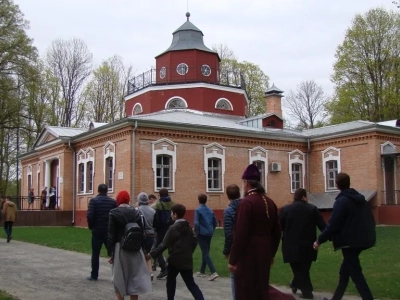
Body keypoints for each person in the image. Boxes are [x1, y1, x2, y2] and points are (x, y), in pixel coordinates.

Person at [314, 173, 376, 300]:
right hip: (363, 239)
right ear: (349, 183)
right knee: (345, 272)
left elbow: (333, 225)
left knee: (355, 273)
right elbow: (370, 218)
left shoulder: (341, 201)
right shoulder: (361, 200)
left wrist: (319, 240)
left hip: (350, 242)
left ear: (337, 185)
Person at [228, 164, 281, 300]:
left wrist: (233, 259)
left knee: (247, 289)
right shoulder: (270, 202)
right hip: (265, 251)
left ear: (246, 183)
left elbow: (240, 233)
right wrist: (272, 253)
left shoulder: (246, 203)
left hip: (249, 253)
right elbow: (277, 231)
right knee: (261, 288)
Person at [279, 188, 326, 299]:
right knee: (303, 269)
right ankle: (307, 292)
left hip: (290, 246)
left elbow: (279, 227)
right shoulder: (312, 209)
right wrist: (327, 237)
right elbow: (323, 226)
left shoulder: (285, 210)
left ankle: (296, 285)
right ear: (304, 197)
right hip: (308, 246)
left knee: (299, 269)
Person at [150, 204, 204, 300]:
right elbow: (195, 240)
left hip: (174, 260)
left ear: (175, 215)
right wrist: (189, 251)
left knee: (171, 282)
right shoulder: (188, 227)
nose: (171, 215)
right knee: (191, 284)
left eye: (171, 213)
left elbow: (164, 244)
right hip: (186, 260)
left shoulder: (173, 228)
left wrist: (153, 253)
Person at [107, 190, 152, 300]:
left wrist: (110, 253)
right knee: (134, 278)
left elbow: (111, 235)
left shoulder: (113, 212)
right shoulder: (137, 212)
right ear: (128, 199)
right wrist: (145, 250)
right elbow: (142, 233)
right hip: (135, 248)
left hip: (119, 248)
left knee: (118, 278)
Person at [86, 183, 117, 281]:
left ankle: (94, 275)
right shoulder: (112, 202)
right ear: (107, 191)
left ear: (98, 190)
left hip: (97, 230)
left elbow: (90, 216)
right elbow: (115, 216)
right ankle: (117, 275)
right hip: (109, 231)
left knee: (95, 253)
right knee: (113, 253)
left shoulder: (93, 201)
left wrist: (91, 226)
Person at [223, 184, 241, 300]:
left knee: (235, 276)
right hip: (250, 247)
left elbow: (229, 234)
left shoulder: (228, 211)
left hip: (236, 248)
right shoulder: (247, 206)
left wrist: (226, 251)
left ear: (228, 196)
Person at [194, 193, 219, 281]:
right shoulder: (210, 209)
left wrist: (196, 231)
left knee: (205, 252)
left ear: (199, 200)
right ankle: (202, 271)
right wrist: (212, 229)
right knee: (206, 251)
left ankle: (213, 272)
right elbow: (215, 222)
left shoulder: (198, 210)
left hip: (201, 233)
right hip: (210, 232)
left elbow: (196, 223)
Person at [153, 188, 176, 279]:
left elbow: (157, 219)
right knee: (171, 249)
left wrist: (156, 228)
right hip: (172, 228)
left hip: (162, 230)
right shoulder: (173, 204)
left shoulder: (158, 205)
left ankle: (163, 268)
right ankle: (171, 269)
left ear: (159, 195)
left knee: (158, 249)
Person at [137, 192, 156, 280]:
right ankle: (150, 272)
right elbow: (155, 223)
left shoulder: (137, 210)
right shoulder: (153, 211)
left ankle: (141, 273)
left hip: (141, 234)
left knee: (139, 254)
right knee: (147, 253)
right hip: (151, 235)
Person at [148, 193, 159, 271]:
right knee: (155, 246)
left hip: (154, 229)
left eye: (149, 200)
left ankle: (158, 263)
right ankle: (155, 264)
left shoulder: (153, 207)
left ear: (151, 199)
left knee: (154, 247)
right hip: (157, 229)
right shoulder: (158, 205)